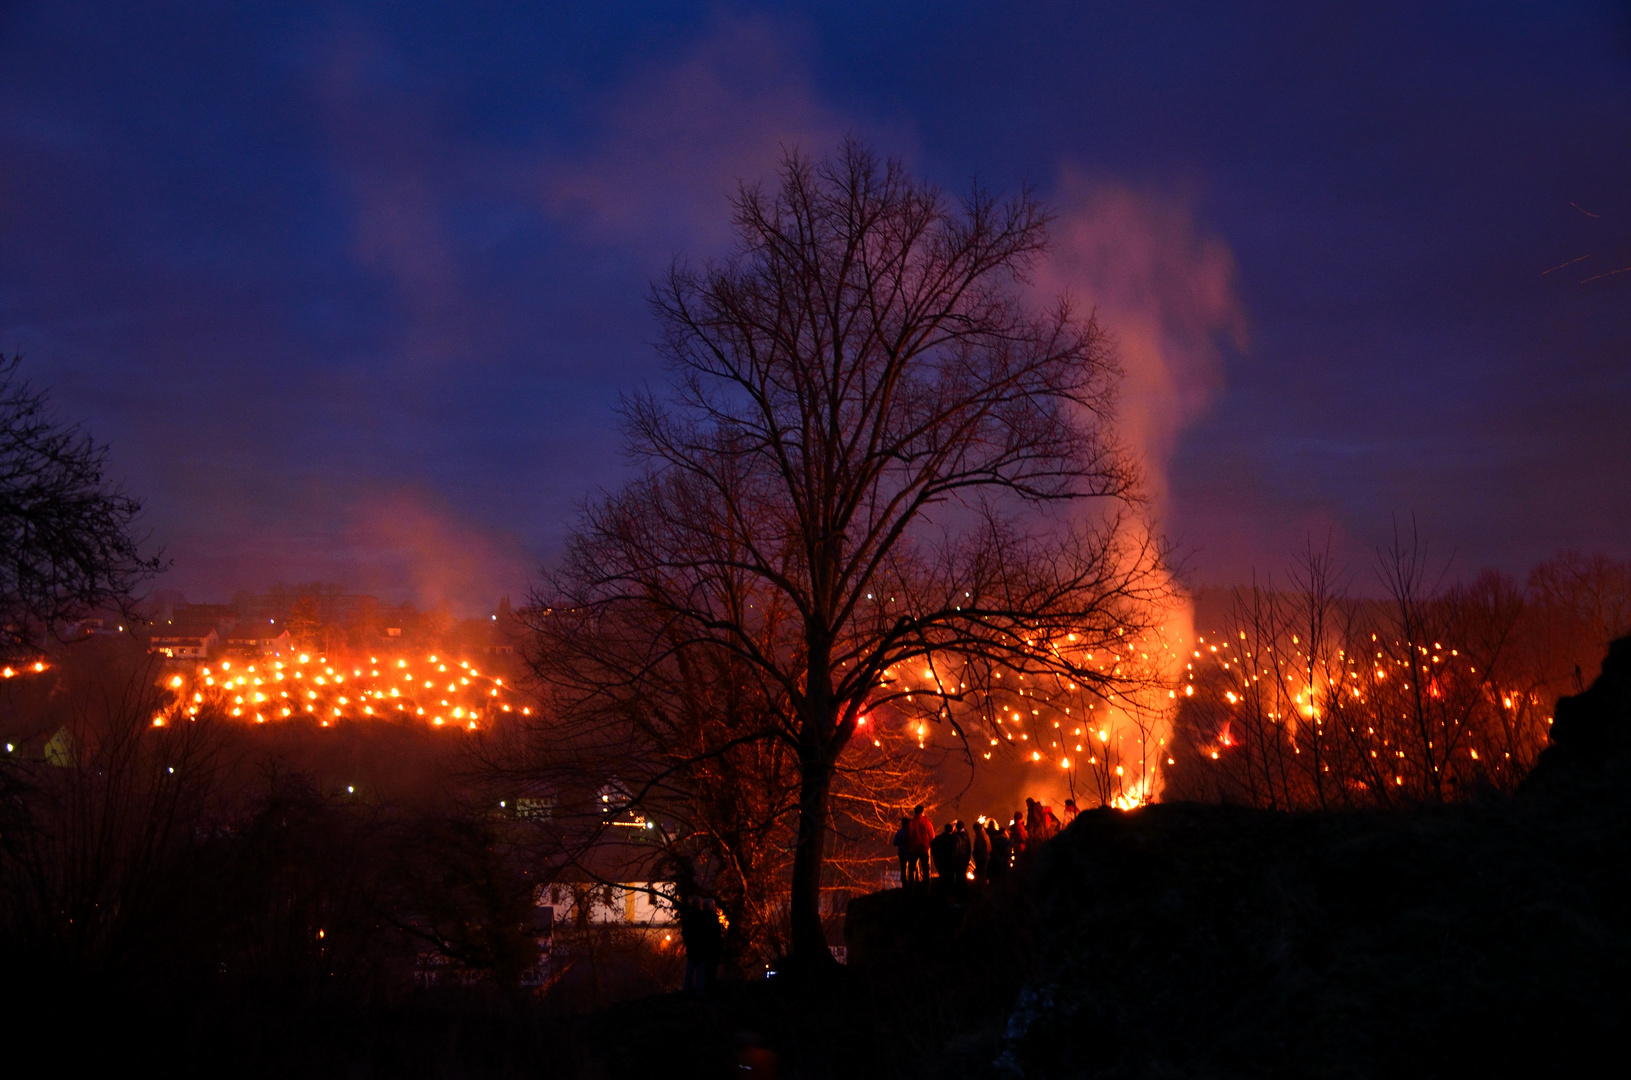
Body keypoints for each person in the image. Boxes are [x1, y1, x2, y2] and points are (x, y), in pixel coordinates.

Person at [681, 895, 724, 997]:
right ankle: (699, 991)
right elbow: (707, 932)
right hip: (701, 948)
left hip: (692, 947)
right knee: (700, 971)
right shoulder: (703, 916)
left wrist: (688, 942)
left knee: (690, 970)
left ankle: (687, 990)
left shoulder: (688, 916)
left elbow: (685, 932)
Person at [906, 804, 935, 888]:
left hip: (913, 849)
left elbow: (907, 836)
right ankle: (926, 886)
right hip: (924, 848)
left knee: (912, 869)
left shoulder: (911, 822)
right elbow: (931, 835)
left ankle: (912, 886)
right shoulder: (927, 821)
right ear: (923, 812)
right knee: (926, 868)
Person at [891, 815, 912, 888]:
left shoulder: (899, 832)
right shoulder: (910, 832)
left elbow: (894, 843)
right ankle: (911, 882)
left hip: (901, 852)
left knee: (903, 868)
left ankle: (904, 883)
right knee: (911, 867)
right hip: (909, 852)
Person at [971, 816, 991, 886]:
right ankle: (983, 888)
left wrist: (975, 854)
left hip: (981, 858)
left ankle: (982, 889)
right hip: (986, 857)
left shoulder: (979, 837)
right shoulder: (985, 835)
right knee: (983, 873)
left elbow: (979, 848)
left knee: (981, 874)